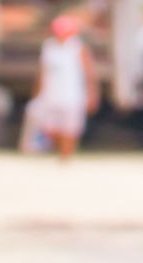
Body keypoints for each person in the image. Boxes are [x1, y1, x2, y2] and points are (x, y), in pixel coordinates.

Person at [22, 13, 95, 159]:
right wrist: (37, 93)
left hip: (72, 95)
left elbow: (89, 74)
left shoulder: (78, 47)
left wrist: (92, 94)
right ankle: (56, 154)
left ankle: (66, 158)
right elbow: (42, 73)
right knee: (51, 128)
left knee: (70, 130)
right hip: (51, 94)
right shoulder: (49, 47)